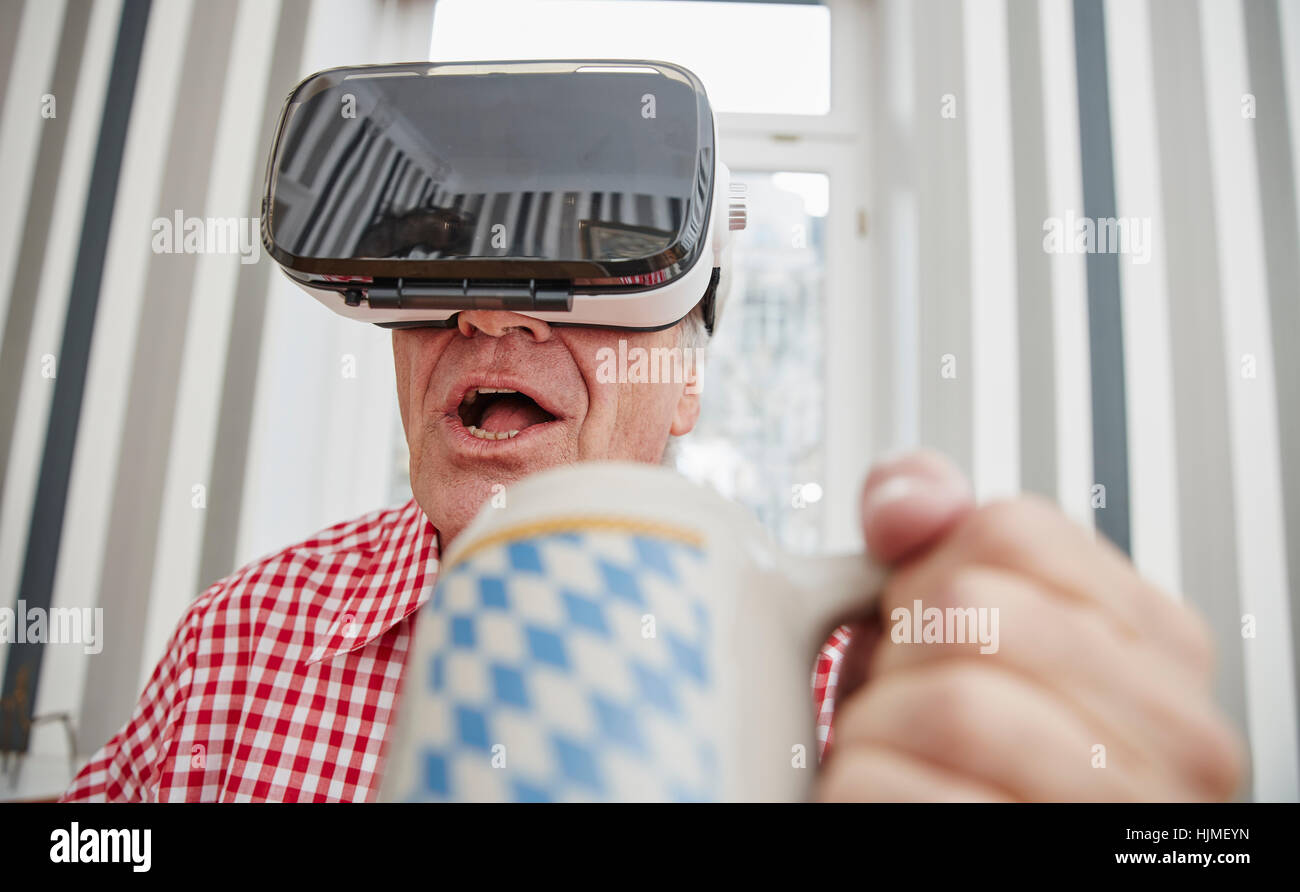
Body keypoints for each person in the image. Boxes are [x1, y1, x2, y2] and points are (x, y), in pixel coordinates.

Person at [61, 301, 1243, 801]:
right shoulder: (242, 632)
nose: (490, 320)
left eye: (584, 270)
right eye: (445, 267)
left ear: (683, 383)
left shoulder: (872, 700)